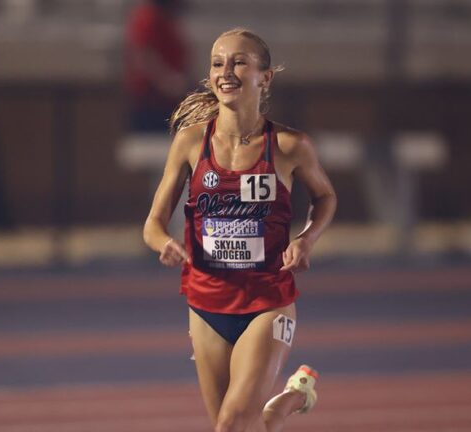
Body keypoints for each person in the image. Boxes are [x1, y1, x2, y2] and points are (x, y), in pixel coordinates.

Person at [143, 28, 337, 431]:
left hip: (267, 301)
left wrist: (306, 239)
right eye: (217, 63)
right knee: (241, 428)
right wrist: (164, 243)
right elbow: (152, 225)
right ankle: (292, 398)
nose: (225, 72)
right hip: (206, 304)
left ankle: (287, 400)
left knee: (232, 423)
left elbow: (325, 198)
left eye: (239, 62)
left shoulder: (288, 145)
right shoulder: (191, 142)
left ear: (264, 77)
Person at [123, 0, 190, 132]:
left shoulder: (168, 20)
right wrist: (167, 81)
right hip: (150, 102)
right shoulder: (148, 17)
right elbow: (143, 55)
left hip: (170, 102)